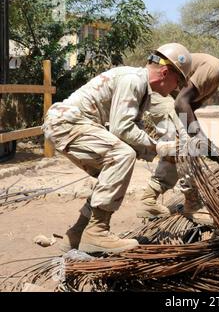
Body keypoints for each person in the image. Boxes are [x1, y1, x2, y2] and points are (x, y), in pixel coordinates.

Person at [42, 43, 192, 254]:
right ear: (166, 73)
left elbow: (132, 135)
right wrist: (160, 147)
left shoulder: (142, 91)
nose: (176, 89)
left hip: (72, 125)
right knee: (122, 155)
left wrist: (160, 151)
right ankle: (98, 232)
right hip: (66, 123)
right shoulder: (133, 80)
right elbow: (122, 129)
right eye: (178, 82)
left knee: (112, 169)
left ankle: (76, 233)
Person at [137, 46, 219, 222]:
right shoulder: (212, 69)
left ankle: (148, 199)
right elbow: (181, 104)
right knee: (188, 147)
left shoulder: (214, 80)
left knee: (181, 147)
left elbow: (188, 112)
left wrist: (206, 143)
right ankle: (193, 205)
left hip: (166, 98)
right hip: (158, 91)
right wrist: (199, 138)